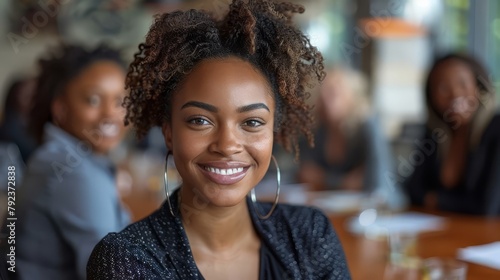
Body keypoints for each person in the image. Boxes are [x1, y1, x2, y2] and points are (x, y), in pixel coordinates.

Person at [87, 0, 351, 279]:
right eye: (200, 120)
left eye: (251, 122)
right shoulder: (127, 259)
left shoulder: (309, 235)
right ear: (168, 132)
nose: (226, 145)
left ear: (273, 131)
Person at [14, 44, 131, 280]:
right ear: (61, 109)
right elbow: (111, 274)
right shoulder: (73, 172)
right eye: (94, 100)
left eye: (120, 101)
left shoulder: (57, 157)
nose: (111, 114)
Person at [405, 53, 500, 216]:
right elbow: (413, 190)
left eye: (462, 84)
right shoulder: (435, 133)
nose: (455, 94)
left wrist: (436, 200)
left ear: (478, 87)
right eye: (443, 88)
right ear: (431, 97)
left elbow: (487, 205)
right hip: (447, 232)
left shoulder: (496, 128)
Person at [297, 67, 395, 193]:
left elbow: (377, 182)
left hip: (383, 208)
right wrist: (344, 182)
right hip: (333, 206)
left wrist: (324, 179)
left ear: (353, 96)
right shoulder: (318, 131)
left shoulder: (367, 126)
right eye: (322, 93)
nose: (326, 99)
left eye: (333, 92)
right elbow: (305, 175)